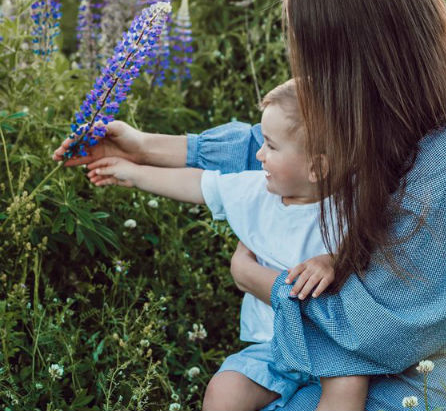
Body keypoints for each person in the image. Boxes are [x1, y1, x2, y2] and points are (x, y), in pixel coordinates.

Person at [55, 0, 446, 411]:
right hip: (390, 333)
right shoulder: (411, 91)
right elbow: (294, 145)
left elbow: (388, 329)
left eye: (311, 50)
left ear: (361, 55)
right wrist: (145, 148)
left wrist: (258, 280)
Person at [82, 80, 370, 411]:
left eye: (271, 146)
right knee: (225, 388)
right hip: (273, 347)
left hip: (334, 346)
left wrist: (333, 260)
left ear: (316, 168)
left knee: (348, 385)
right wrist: (131, 172)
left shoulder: (351, 205)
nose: (259, 154)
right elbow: (198, 185)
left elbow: (373, 253)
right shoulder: (257, 192)